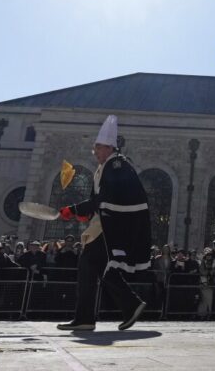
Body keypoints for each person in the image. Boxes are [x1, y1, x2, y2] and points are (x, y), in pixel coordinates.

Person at [57, 115, 151, 332]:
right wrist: (86, 213)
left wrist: (75, 209)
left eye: (98, 148)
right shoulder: (105, 168)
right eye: (95, 148)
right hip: (106, 225)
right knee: (95, 268)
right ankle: (127, 306)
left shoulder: (116, 165)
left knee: (89, 265)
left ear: (109, 148)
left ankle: (89, 317)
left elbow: (107, 198)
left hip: (114, 226)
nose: (95, 152)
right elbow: (101, 201)